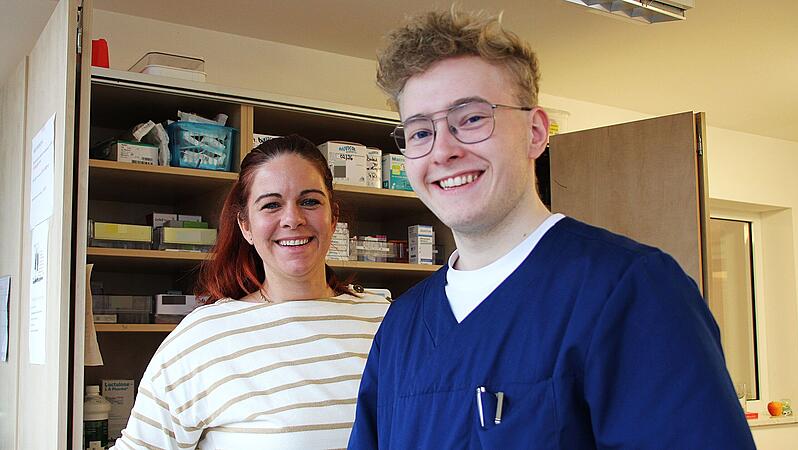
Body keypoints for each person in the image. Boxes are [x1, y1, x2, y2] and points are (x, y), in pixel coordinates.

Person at [348, 9, 755, 449]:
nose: (443, 150)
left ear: (535, 132)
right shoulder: (403, 327)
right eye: (420, 132)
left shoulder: (631, 291)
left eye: (470, 119)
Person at [113, 135, 389, 449]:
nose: (292, 219)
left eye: (310, 201)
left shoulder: (387, 319)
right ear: (245, 226)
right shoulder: (203, 337)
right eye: (271, 205)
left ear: (333, 217)